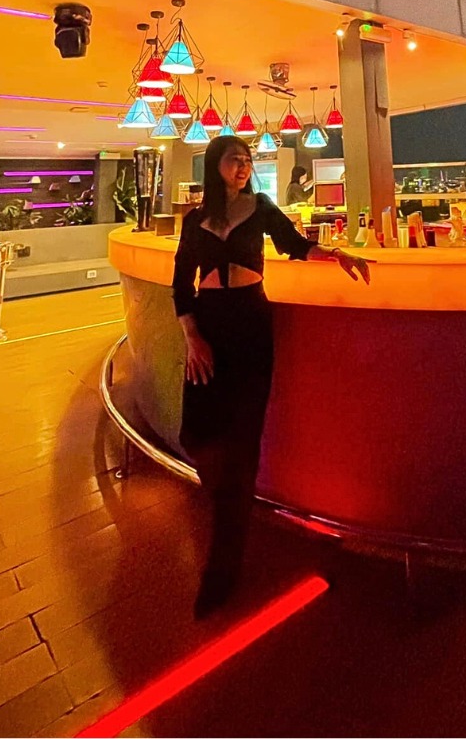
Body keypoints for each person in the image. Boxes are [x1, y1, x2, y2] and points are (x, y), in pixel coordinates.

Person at [173, 135, 370, 618]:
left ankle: (224, 563)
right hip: (209, 324)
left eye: (246, 160)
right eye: (233, 159)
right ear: (214, 165)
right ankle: (226, 504)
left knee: (242, 443)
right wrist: (193, 338)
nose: (242, 166)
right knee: (195, 434)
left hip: (250, 322)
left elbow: (295, 246)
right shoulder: (195, 219)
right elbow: (181, 284)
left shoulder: (260, 207)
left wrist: (338, 254)